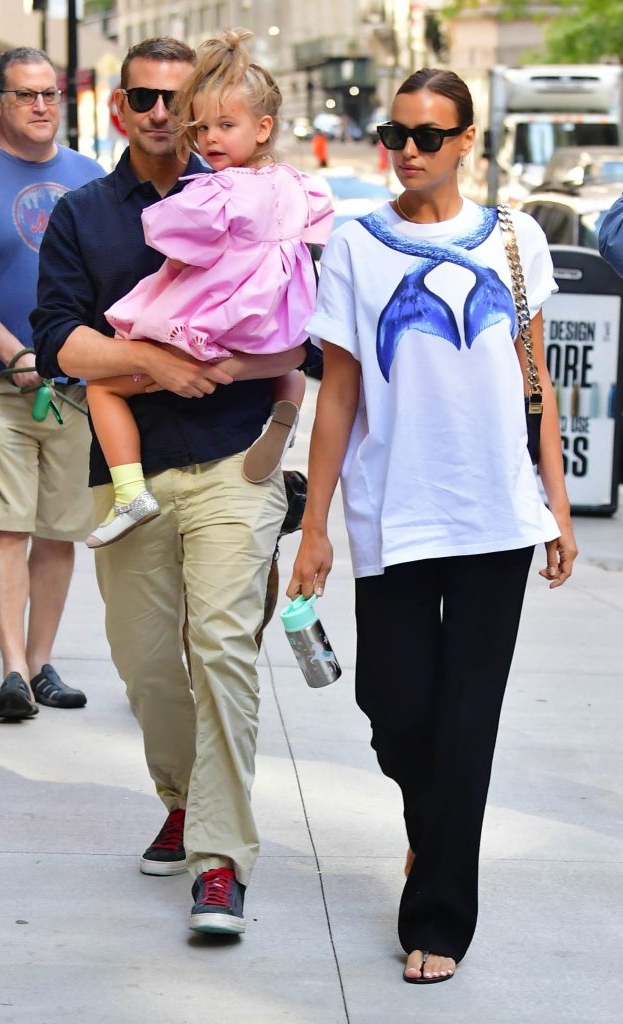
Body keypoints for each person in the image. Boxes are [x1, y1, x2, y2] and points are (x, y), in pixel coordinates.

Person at [287, 68, 578, 983]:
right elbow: (337, 395)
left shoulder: (515, 239)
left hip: (494, 513)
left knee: (466, 716)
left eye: (425, 135)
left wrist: (556, 504)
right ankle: (435, 824)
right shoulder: (354, 244)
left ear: (465, 142)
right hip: (393, 510)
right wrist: (316, 526)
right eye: (393, 133)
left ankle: (439, 917)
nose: (405, 151)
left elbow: (537, 383)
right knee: (393, 706)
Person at [31, 36, 314, 937]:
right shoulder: (84, 213)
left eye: (179, 100)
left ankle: (220, 859)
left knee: (222, 651)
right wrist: (154, 361)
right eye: (146, 98)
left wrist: (239, 385)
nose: (164, 114)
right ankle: (185, 798)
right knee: (147, 665)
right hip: (129, 477)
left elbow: (300, 337)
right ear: (120, 107)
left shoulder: (250, 196)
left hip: (233, 463)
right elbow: (57, 338)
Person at [84, 29, 332, 548]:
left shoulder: (220, 189)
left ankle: (129, 492)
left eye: (224, 126)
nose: (209, 139)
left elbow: (174, 240)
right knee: (286, 366)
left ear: (262, 127)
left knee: (103, 387)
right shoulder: (296, 183)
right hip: (275, 319)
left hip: (218, 322)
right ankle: (285, 412)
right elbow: (313, 237)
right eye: (201, 127)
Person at [0, 47, 104, 721]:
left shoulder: (89, 177)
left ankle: (41, 665)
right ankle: (12, 670)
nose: (41, 106)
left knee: (58, 531)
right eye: (25, 94)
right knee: (7, 525)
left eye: (49, 94)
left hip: (71, 387)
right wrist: (13, 353)